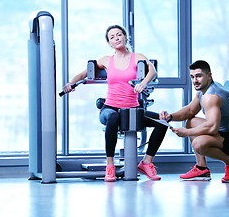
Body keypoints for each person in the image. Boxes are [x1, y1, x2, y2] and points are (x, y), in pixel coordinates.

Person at [63, 25, 168, 182]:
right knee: (112, 117)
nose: (116, 38)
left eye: (119, 35)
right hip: (110, 108)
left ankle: (146, 163)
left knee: (162, 123)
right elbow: (84, 73)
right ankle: (110, 166)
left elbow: (152, 71)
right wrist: (71, 83)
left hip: (132, 108)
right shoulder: (106, 60)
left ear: (125, 37)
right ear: (109, 43)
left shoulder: (137, 57)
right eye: (112, 37)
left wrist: (144, 83)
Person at [160, 60, 229, 183]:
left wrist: (186, 132)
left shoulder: (211, 96)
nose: (195, 80)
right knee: (191, 121)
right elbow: (190, 110)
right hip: (224, 134)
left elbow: (212, 127)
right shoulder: (203, 92)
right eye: (192, 77)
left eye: (199, 76)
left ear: (209, 76)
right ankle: (202, 168)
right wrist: (170, 117)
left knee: (198, 144)